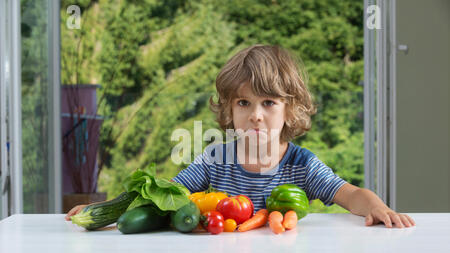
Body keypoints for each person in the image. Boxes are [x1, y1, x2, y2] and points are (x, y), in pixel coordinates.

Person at [66, 44, 415, 228]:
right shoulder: (215, 160)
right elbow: (166, 193)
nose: (256, 115)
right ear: (230, 110)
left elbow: (351, 194)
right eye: (244, 102)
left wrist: (379, 208)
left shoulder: (301, 165)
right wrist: (105, 211)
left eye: (269, 103)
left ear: (289, 109)